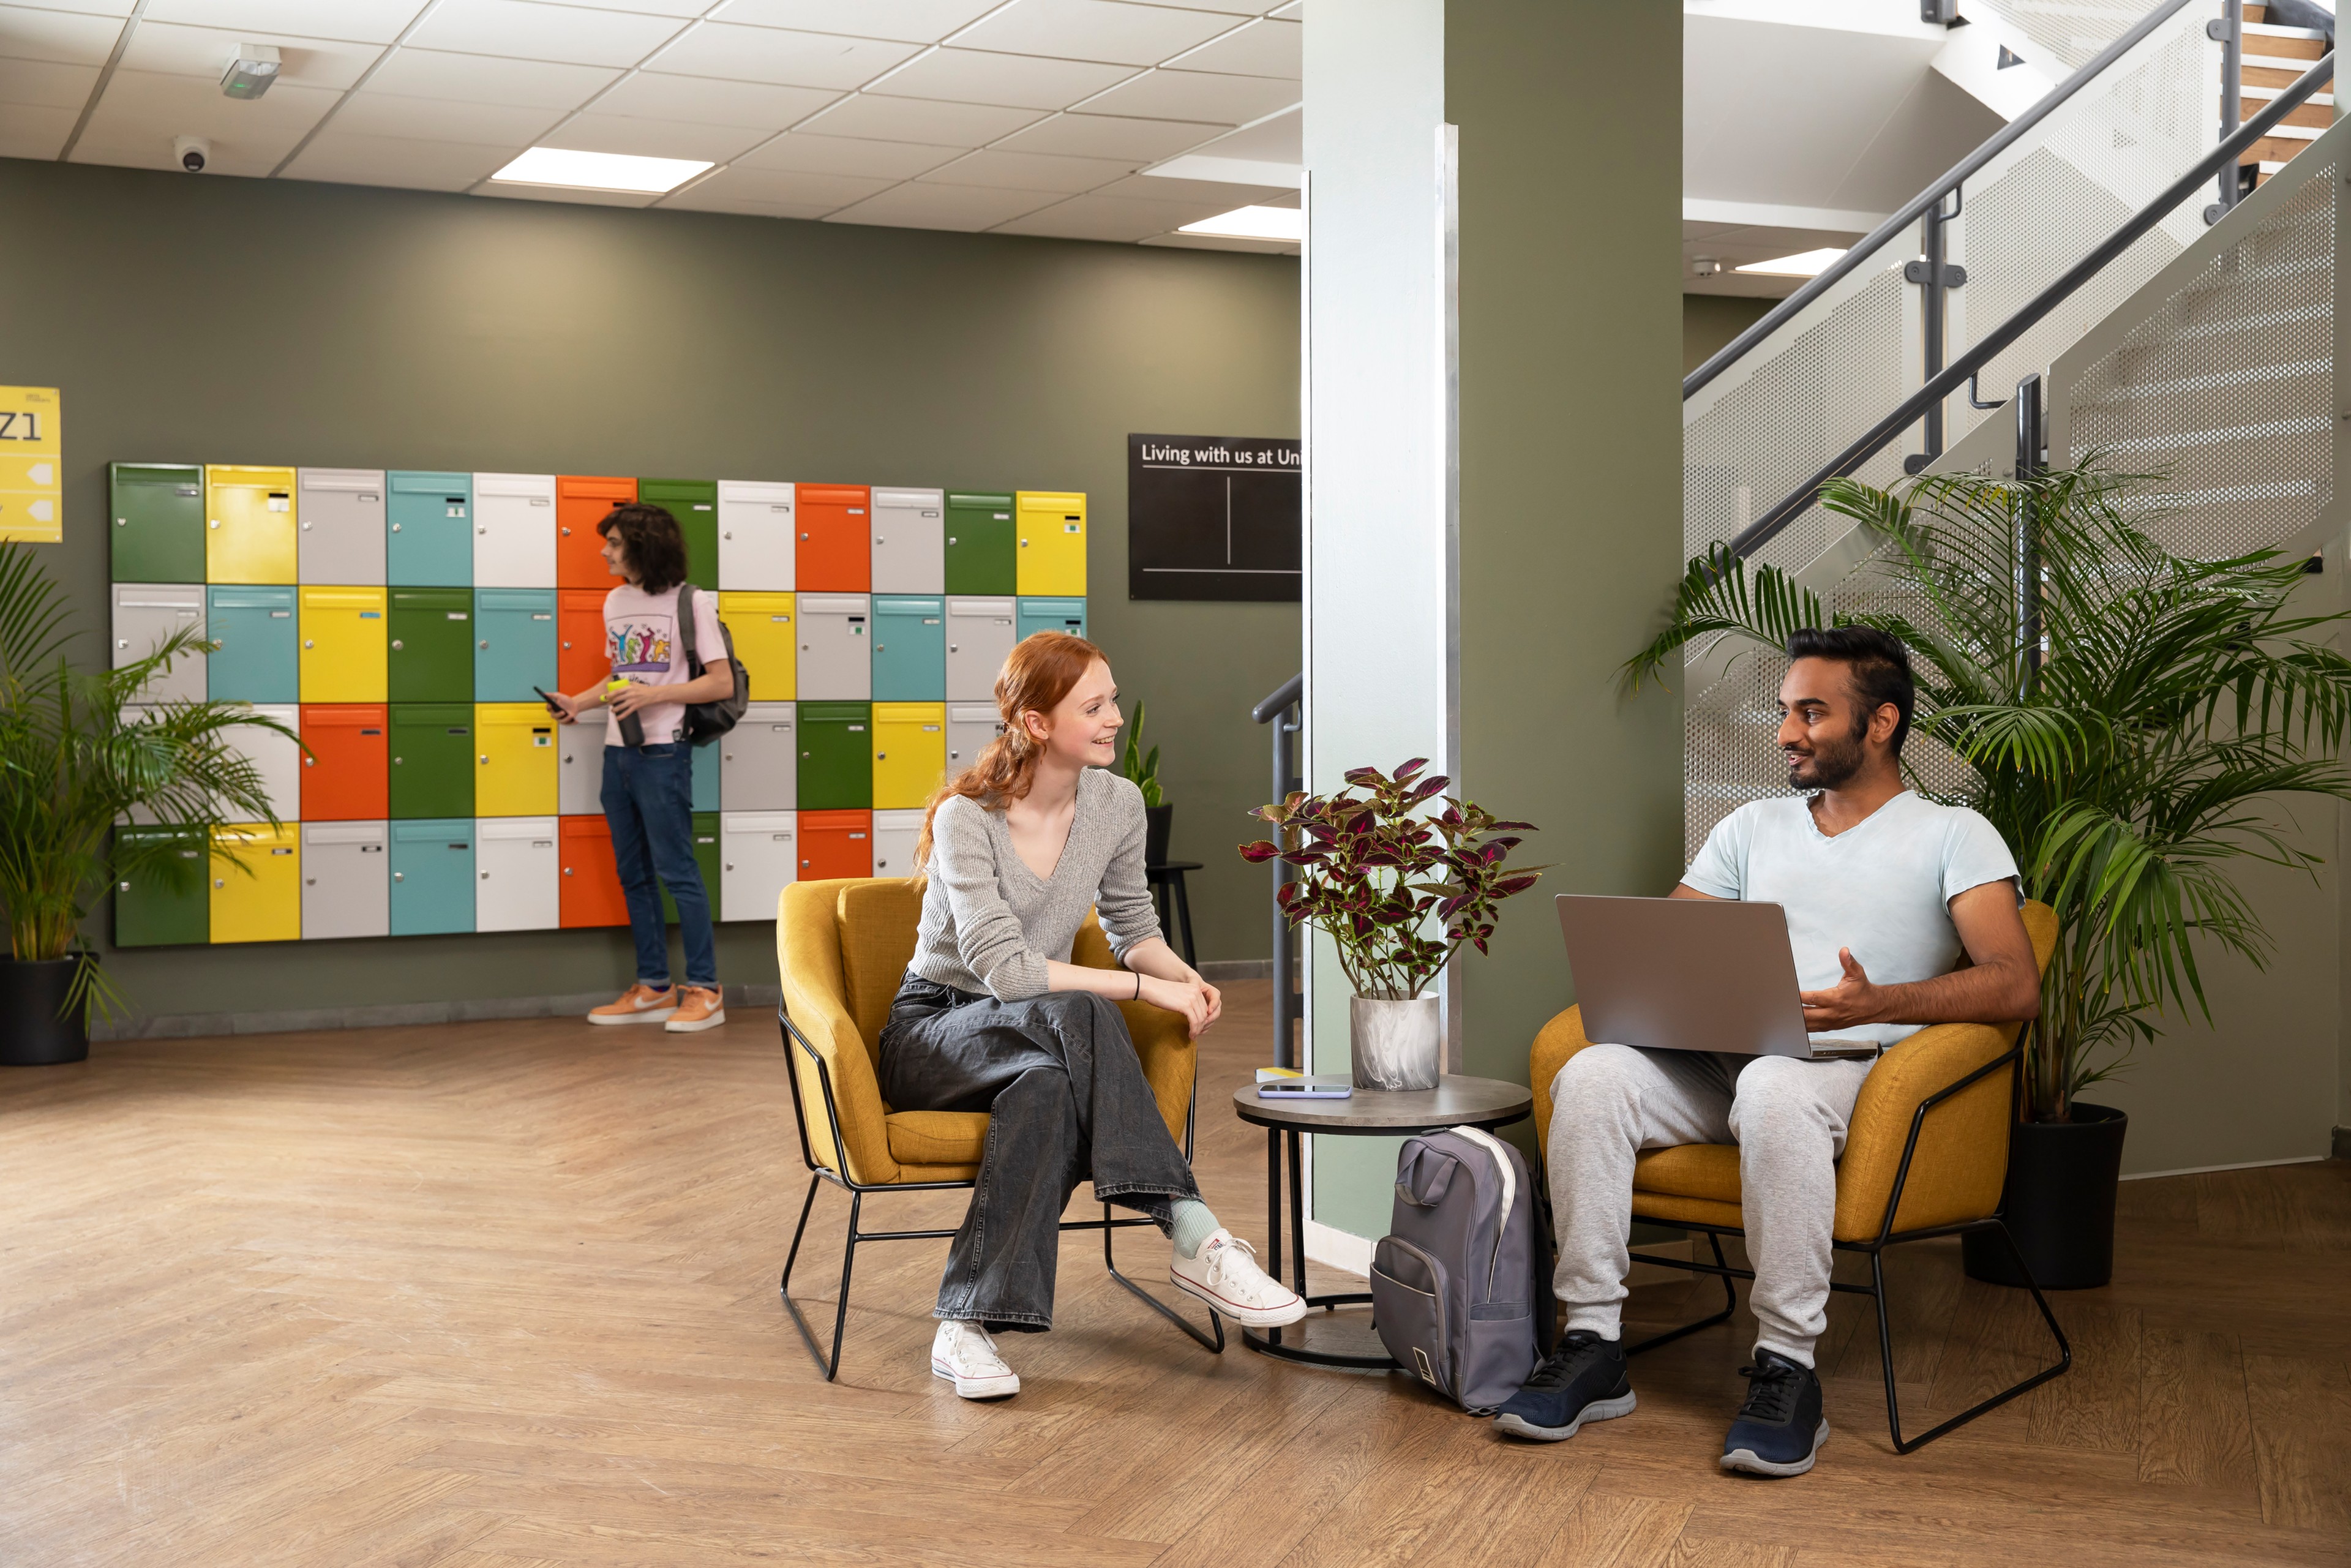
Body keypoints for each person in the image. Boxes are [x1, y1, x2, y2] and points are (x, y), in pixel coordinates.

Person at [1494, 626, 2039, 1476]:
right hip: (1719, 1062)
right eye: (1786, 711)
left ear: (1882, 721)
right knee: (1592, 1074)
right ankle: (1592, 1343)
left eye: (1811, 713)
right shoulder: (1751, 825)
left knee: (1777, 1088)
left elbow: (2014, 983)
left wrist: (1882, 1001)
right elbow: (1669, 946)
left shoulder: (1953, 834)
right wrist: (1656, 992)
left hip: (1846, 1069)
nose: (1786, 732)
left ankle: (1788, 1365)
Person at [883, 631, 1307, 1400]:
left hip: (1036, 1038)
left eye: (1113, 700)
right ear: (1037, 723)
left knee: (1046, 1091)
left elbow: (1132, 925)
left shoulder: (1117, 802)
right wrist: (1144, 990)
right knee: (1080, 1007)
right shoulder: (965, 818)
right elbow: (1009, 972)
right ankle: (1191, 1230)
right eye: (1093, 706)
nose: (1114, 717)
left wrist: (1184, 977)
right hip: (936, 1032)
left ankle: (963, 1324)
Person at [547, 502, 732, 1033]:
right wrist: (578, 703)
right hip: (618, 752)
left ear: (643, 545)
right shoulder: (615, 601)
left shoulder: (691, 602)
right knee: (633, 873)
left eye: (613, 542)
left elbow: (720, 681)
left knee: (677, 872)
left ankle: (706, 989)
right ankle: (654, 986)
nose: (604, 551)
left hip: (663, 753)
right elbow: (621, 676)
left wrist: (654, 696)